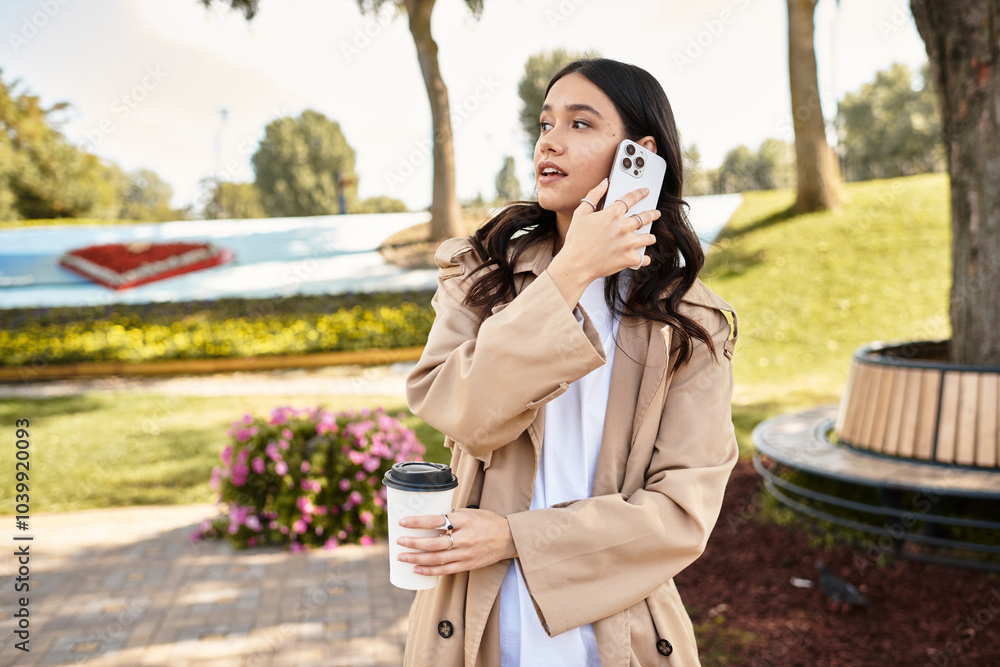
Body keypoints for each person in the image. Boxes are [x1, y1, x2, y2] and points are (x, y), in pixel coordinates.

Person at [397, 57, 739, 666]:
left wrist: (515, 539)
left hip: (619, 636)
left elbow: (682, 512)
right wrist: (570, 271)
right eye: (545, 123)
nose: (550, 140)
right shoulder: (481, 277)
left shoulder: (692, 324)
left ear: (641, 153)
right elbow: (461, 412)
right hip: (478, 629)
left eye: (580, 124)